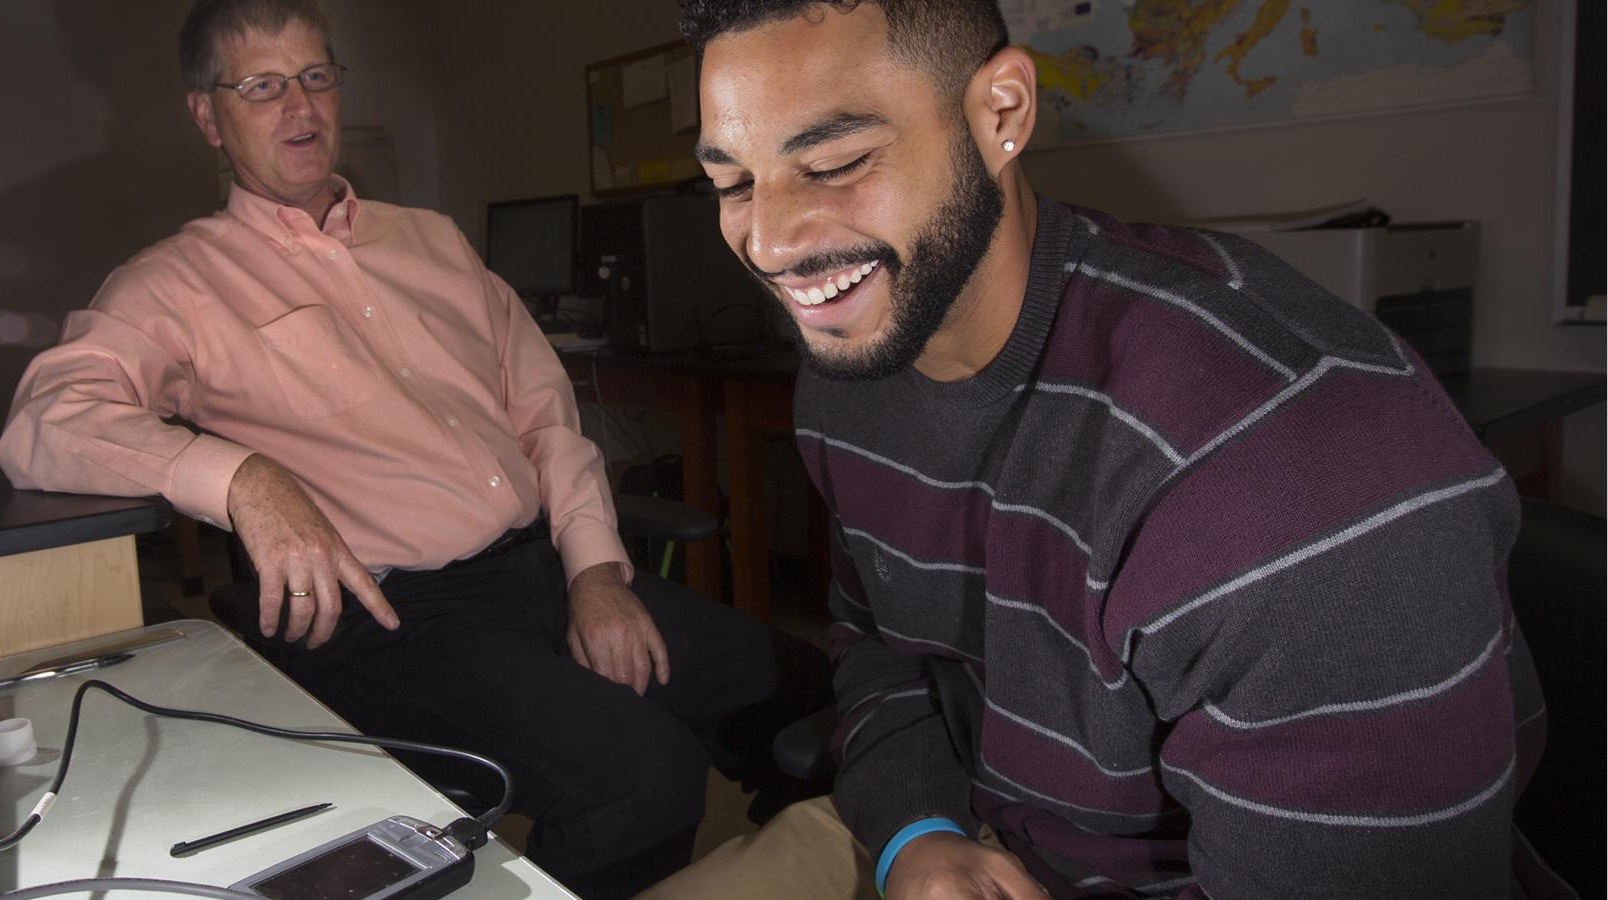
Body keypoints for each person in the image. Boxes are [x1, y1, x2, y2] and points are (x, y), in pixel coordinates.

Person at [641, 1, 1570, 898]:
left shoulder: (1294, 471)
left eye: (837, 162)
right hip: (965, 826)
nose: (766, 240)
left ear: (1001, 113)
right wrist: (916, 834)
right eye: (730, 182)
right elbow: (879, 648)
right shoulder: (852, 363)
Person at [0, 1, 829, 895]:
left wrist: (594, 572)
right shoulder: (174, 282)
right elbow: (43, 423)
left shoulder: (431, 241)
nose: (301, 107)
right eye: (263, 86)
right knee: (641, 778)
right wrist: (242, 477)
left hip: (543, 570)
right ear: (208, 114)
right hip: (394, 618)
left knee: (809, 693)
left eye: (317, 77)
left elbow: (546, 411)